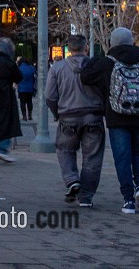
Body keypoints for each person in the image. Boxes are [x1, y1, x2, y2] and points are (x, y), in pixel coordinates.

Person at [80, 27, 139, 214]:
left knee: (122, 159)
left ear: (112, 42)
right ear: (131, 41)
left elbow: (85, 76)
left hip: (117, 118)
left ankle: (128, 200)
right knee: (138, 155)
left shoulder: (107, 63)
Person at [47, 33, 106, 208]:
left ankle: (72, 179)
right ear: (85, 47)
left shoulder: (57, 68)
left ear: (68, 49)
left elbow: (49, 96)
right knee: (92, 157)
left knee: (64, 150)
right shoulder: (96, 66)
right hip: (93, 116)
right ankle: (86, 197)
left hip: (68, 116)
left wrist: (57, 112)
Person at [18, 55, 37, 121]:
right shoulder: (32, 68)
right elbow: (34, 77)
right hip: (30, 88)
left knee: (22, 102)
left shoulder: (20, 68)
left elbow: (17, 78)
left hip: (22, 88)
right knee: (29, 101)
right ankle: (30, 115)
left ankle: (24, 116)